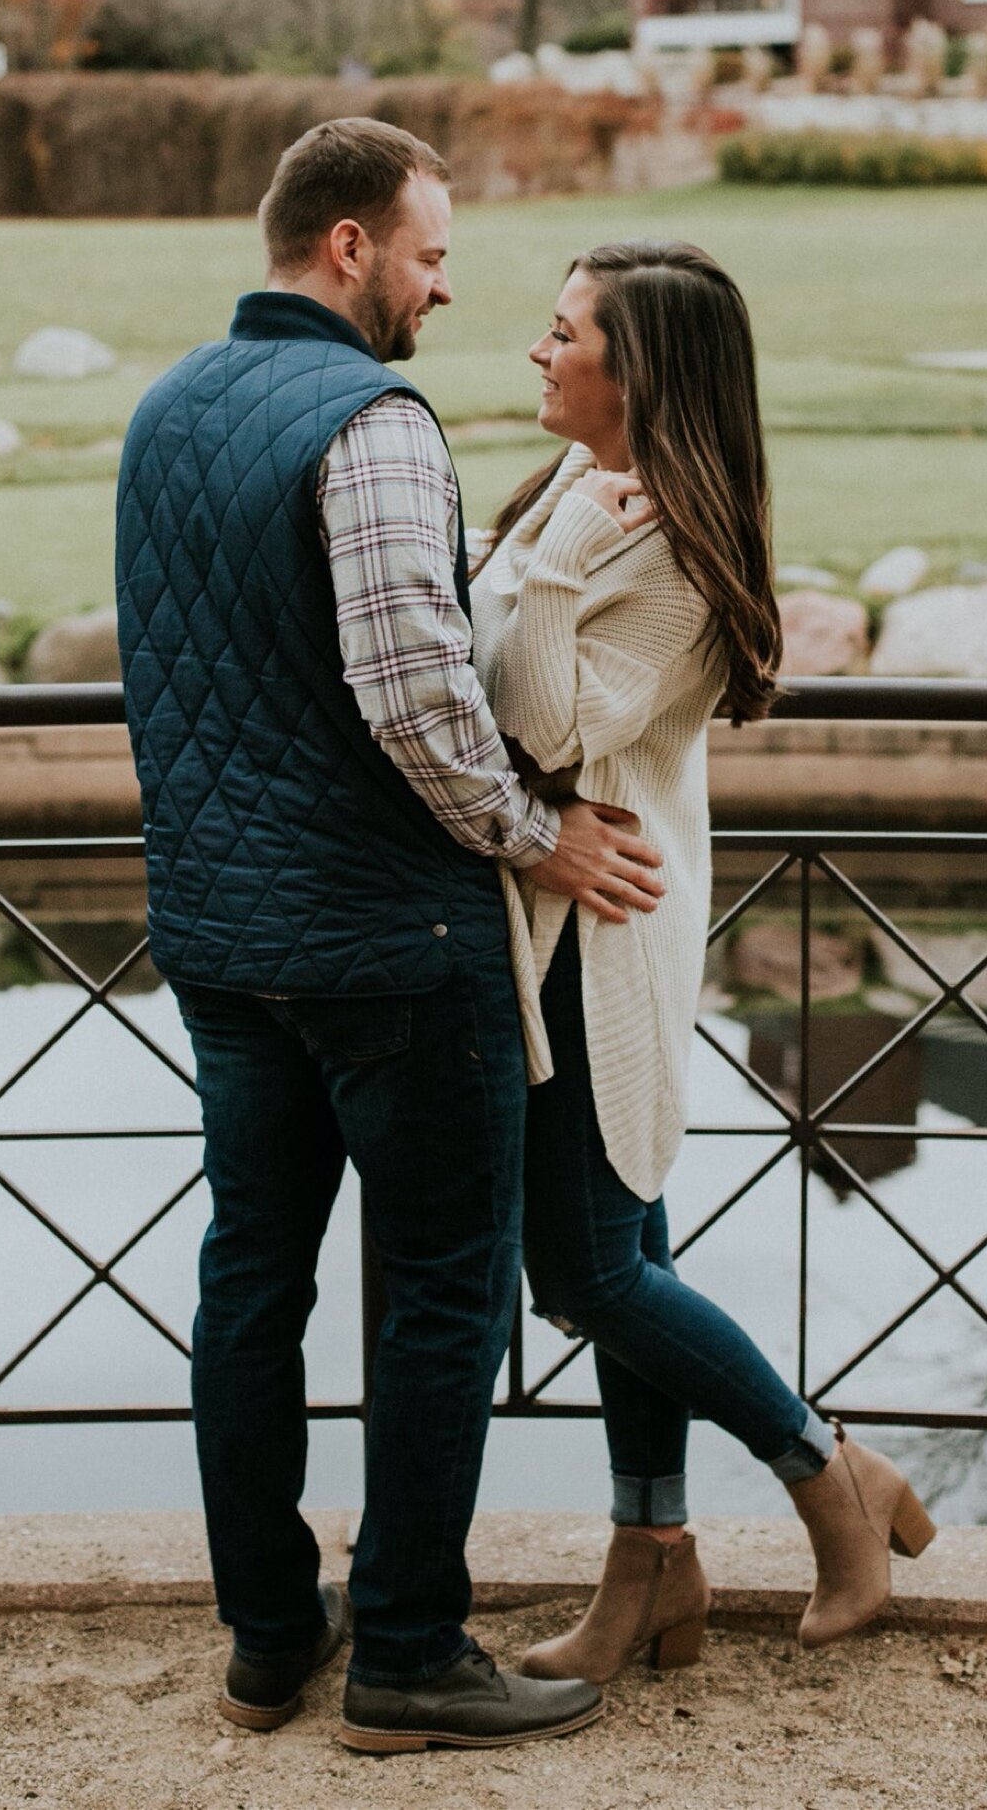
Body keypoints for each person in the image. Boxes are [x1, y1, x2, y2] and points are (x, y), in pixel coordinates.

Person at [115, 121, 666, 1754]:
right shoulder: (376, 424)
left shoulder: (163, 412)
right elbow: (418, 696)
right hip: (390, 948)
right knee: (440, 1296)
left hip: (218, 940)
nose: (444, 288)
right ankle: (411, 1651)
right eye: (430, 257)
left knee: (249, 1286)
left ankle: (271, 1638)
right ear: (348, 248)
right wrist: (539, 832)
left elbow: (181, 675)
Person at [469, 241, 935, 1685]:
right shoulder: (581, 491)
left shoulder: (669, 549)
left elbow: (540, 726)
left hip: (598, 945)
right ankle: (650, 1565)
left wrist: (542, 575)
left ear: (639, 372)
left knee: (589, 1270)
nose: (536, 355)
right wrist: (545, 551)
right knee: (630, 1256)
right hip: (544, 924)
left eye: (564, 335)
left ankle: (822, 1470)